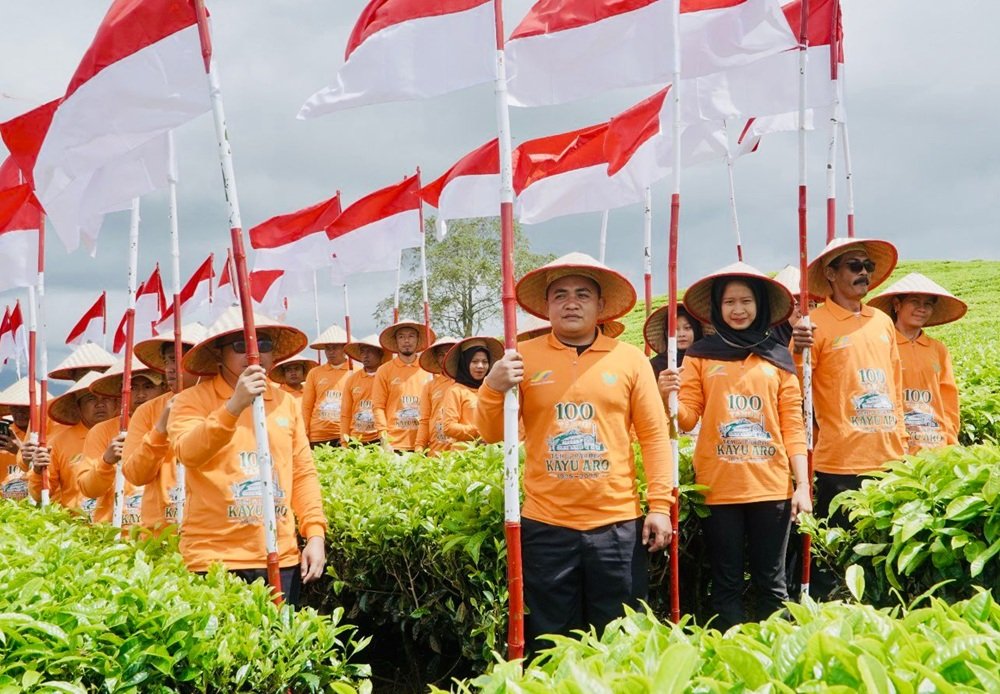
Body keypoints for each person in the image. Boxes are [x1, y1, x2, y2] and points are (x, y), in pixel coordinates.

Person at [475, 252, 673, 650]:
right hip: (546, 526)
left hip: (617, 524)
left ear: (600, 305)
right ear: (546, 306)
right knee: (550, 639)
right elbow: (494, 432)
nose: (571, 302)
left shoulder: (630, 359)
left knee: (620, 640)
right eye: (560, 295)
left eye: (583, 294)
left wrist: (660, 506)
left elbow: (654, 436)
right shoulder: (522, 359)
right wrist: (493, 387)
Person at [659, 262, 810, 630]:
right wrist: (669, 398)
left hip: (771, 487)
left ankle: (777, 662)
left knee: (772, 583)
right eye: (729, 302)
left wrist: (802, 485)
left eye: (746, 301)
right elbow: (688, 419)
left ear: (759, 304)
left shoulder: (779, 358)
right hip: (718, 488)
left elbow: (793, 425)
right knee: (725, 581)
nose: (738, 309)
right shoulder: (700, 355)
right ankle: (729, 660)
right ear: (716, 307)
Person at [167, 307, 326, 603]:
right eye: (241, 346)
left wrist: (315, 533)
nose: (254, 354)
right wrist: (233, 406)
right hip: (214, 560)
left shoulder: (286, 403)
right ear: (219, 355)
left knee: (280, 646)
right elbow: (188, 452)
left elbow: (302, 472)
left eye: (263, 344)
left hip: (280, 556)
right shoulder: (190, 401)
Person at [792, 237, 906, 525]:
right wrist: (795, 349)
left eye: (867, 266)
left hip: (889, 458)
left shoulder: (882, 321)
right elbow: (795, 389)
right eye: (854, 266)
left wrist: (902, 442)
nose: (863, 273)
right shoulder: (814, 324)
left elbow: (895, 386)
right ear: (830, 274)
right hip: (840, 463)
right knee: (841, 551)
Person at [868, 273, 965, 452]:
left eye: (928, 304)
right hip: (893, 445)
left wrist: (950, 437)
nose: (922, 309)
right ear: (897, 305)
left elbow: (948, 395)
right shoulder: (882, 344)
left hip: (935, 444)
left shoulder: (938, 349)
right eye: (915, 302)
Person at [123, 323, 207, 531]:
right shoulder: (148, 412)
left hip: (210, 531)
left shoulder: (223, 403)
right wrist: (160, 429)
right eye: (169, 360)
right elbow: (135, 475)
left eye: (180, 359)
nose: (171, 367)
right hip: (159, 533)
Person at [76, 358, 168, 528]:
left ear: (164, 388)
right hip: (116, 533)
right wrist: (106, 461)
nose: (140, 395)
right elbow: (88, 489)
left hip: (163, 530)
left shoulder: (174, 423)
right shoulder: (102, 432)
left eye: (148, 387)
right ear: (122, 392)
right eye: (133, 388)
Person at [26, 370, 118, 511]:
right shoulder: (59, 443)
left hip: (118, 527)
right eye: (91, 399)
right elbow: (40, 495)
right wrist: (38, 472)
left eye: (106, 398)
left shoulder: (127, 434)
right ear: (78, 407)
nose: (100, 404)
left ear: (116, 403)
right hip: (76, 526)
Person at [371, 320, 436, 452]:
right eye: (401, 337)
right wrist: (384, 439)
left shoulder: (428, 369)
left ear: (418, 339)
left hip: (424, 443)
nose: (407, 340)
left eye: (411, 336)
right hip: (394, 444)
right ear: (396, 341)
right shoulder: (384, 370)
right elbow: (378, 407)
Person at [438, 337, 503, 451]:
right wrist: (480, 432)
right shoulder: (455, 391)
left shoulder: (493, 390)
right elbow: (448, 427)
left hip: (491, 455)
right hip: (463, 455)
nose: (480, 366)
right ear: (465, 363)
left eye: (485, 362)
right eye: (474, 361)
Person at [301, 325, 355, 448]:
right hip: (319, 434)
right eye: (328, 348)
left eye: (335, 348)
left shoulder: (354, 372)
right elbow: (306, 406)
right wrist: (304, 432)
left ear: (344, 349)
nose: (331, 352)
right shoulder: (315, 373)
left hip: (345, 433)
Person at [340, 334, 391, 445]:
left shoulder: (388, 377)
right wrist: (344, 441)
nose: (365, 355)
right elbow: (345, 413)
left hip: (380, 438)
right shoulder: (352, 380)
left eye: (370, 351)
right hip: (357, 439)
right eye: (362, 351)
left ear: (380, 353)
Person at [415, 337, 459, 455]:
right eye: (441, 354)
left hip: (462, 453)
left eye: (450, 352)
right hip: (436, 452)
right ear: (436, 358)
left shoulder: (468, 383)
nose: (445, 357)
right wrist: (419, 447)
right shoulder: (430, 386)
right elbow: (424, 420)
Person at [644, 304, 705, 379]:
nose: (681, 334)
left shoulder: (706, 359)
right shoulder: (655, 365)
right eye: (675, 329)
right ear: (667, 333)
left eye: (687, 328)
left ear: (696, 330)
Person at [0, 378, 33, 500]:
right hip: (4, 503)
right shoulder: (5, 433)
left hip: (35, 501)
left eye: (25, 408)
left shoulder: (46, 435)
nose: (20, 413)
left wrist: (19, 450)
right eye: (15, 408)